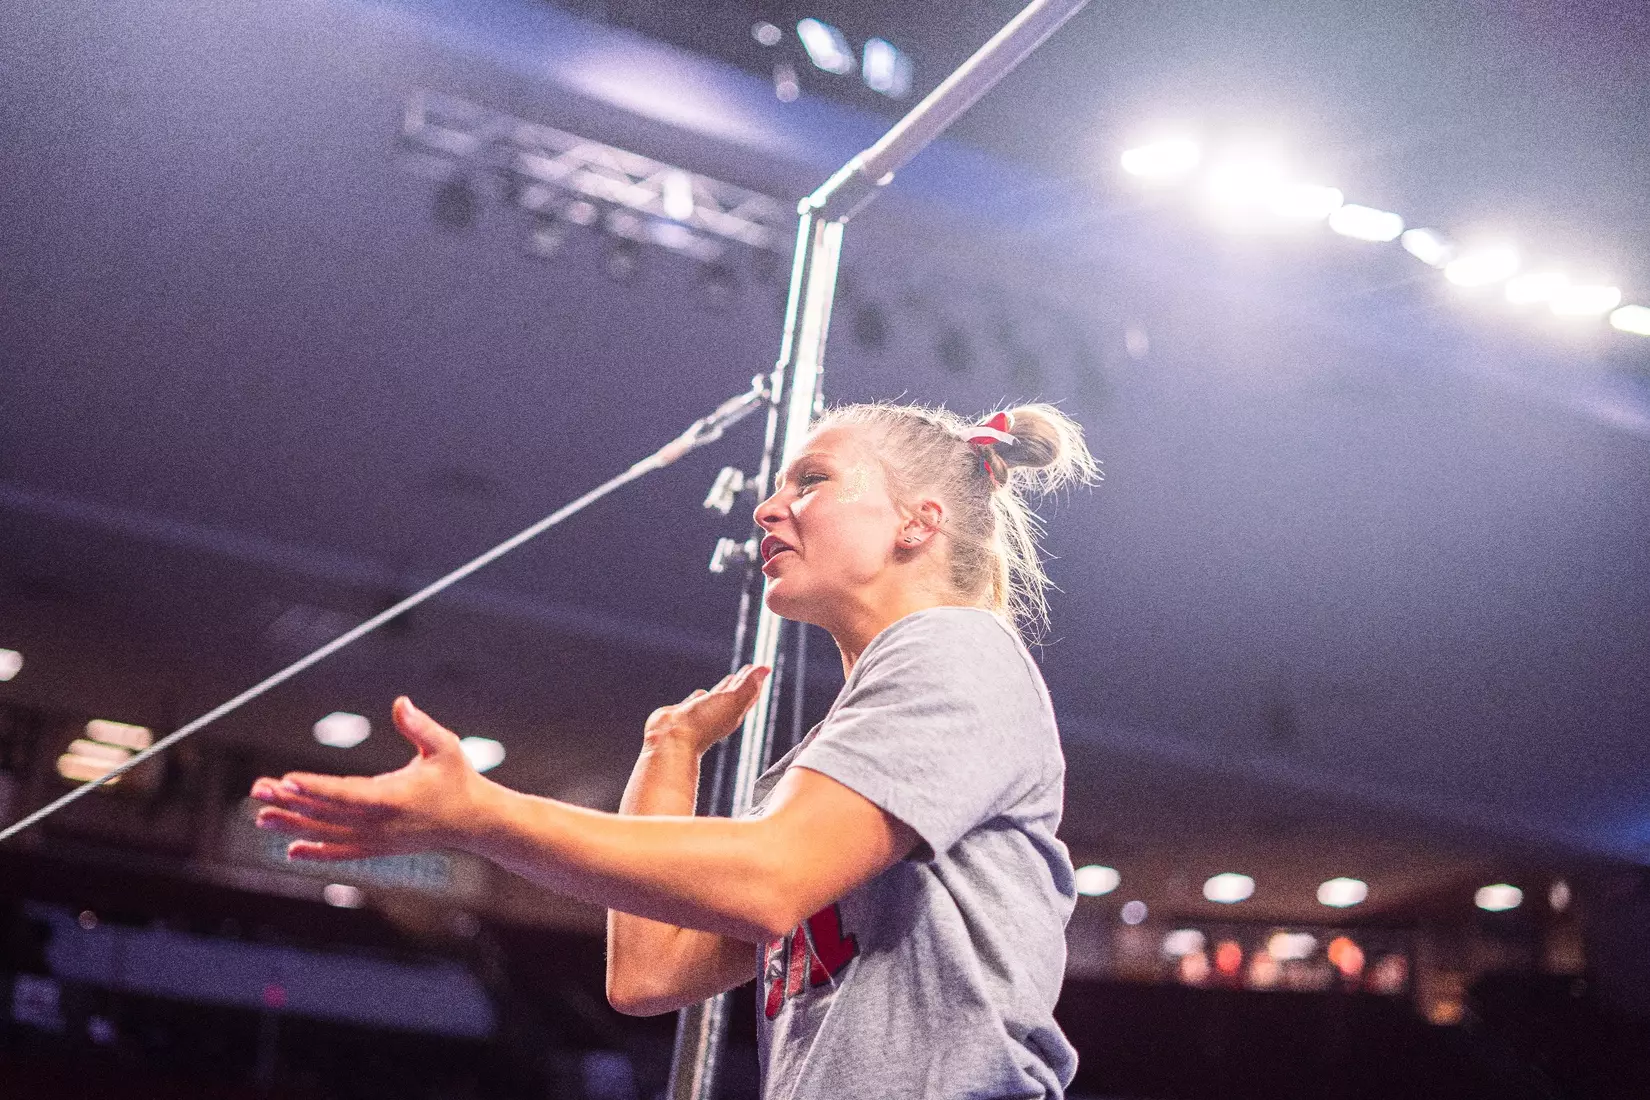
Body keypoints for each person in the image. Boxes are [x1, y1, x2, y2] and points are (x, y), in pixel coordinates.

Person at [251, 401, 1098, 1099]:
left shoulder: (956, 647)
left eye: (811, 480)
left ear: (918, 522)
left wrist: (481, 816)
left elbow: (769, 881)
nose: (769, 509)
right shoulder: (829, 764)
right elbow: (649, 972)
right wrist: (670, 750)